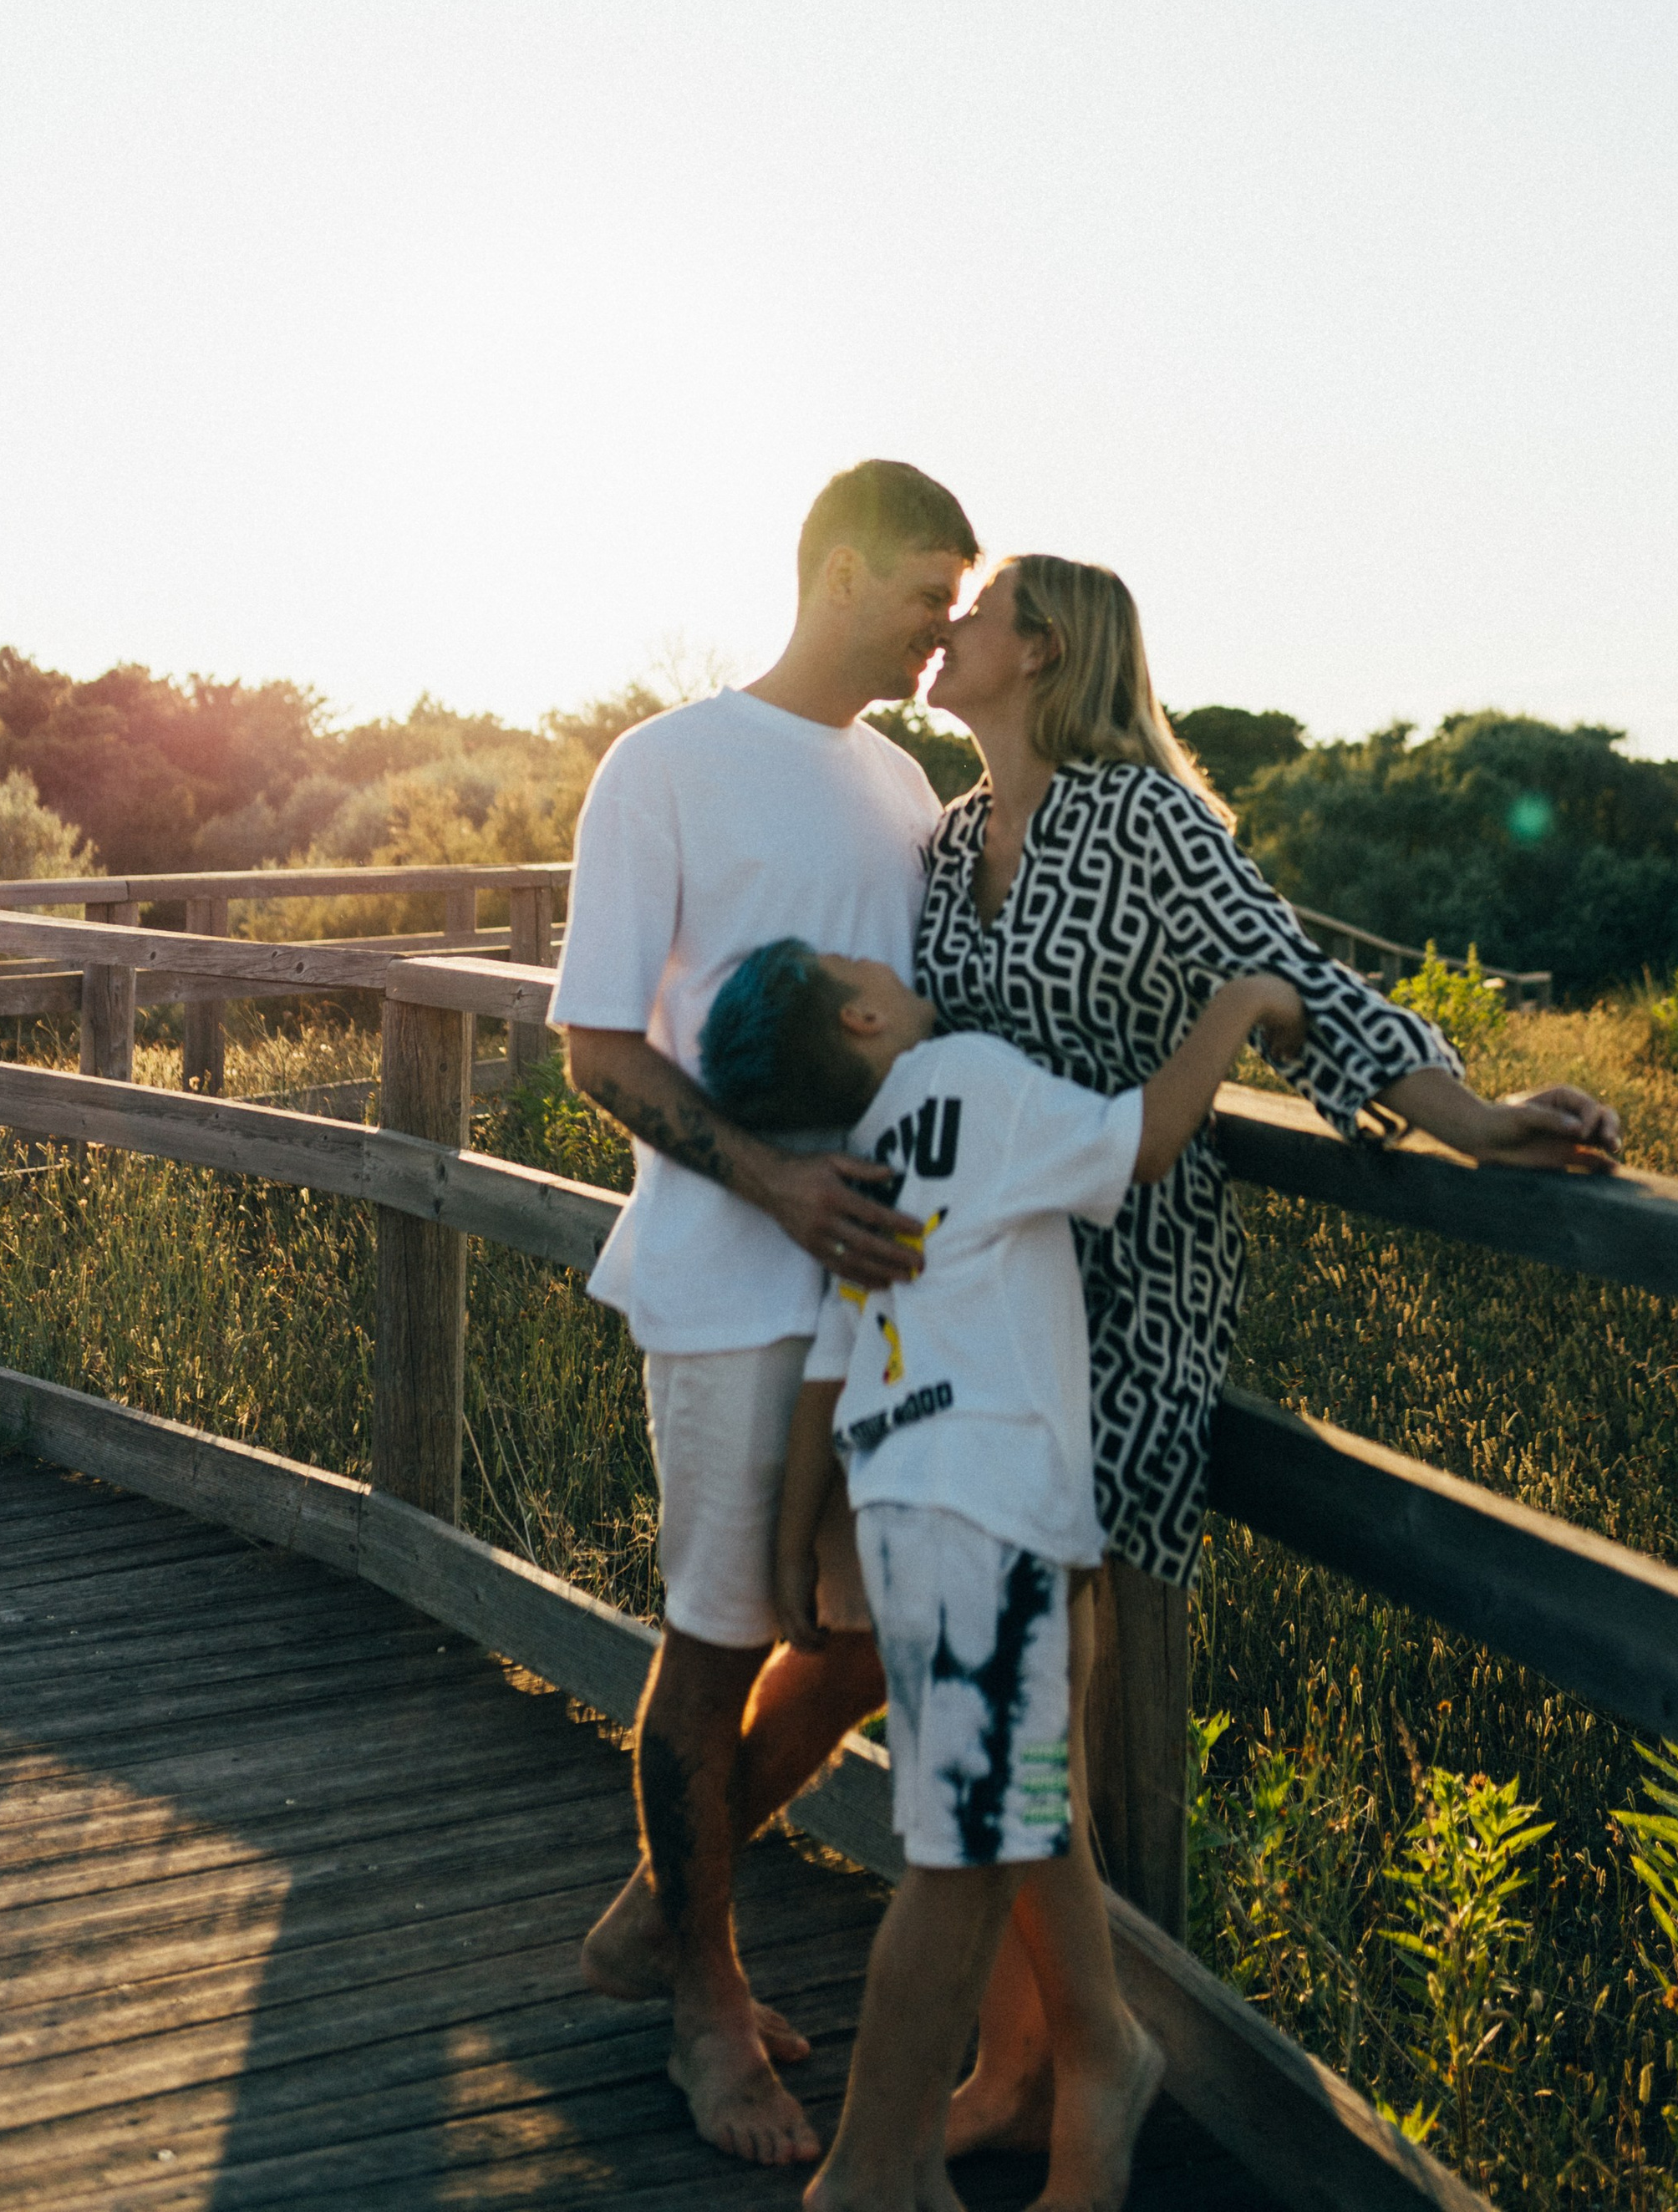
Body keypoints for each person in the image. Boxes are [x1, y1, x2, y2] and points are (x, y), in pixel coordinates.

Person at [918, 552, 1624, 2155]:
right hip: (980, 1294)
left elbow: (1302, 982)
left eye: (970, 614)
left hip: (1125, 1292)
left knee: (1033, 1680)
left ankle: (1066, 2063)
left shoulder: (1149, 823)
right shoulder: (953, 840)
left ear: (1038, 648)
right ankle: (1021, 2056)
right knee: (1021, 1684)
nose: (941, 633)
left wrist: (1478, 1121)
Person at [699, 933, 1309, 2212]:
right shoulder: (972, 1073)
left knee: (1003, 1820)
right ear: (865, 1013)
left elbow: (829, 1360)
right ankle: (874, 2167)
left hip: (909, 1512)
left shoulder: (863, 1162)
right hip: (995, 1512)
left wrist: (791, 1539)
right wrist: (1240, 1005)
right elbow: (1142, 1141)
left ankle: (1040, 2092)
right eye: (858, 957)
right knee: (966, 1854)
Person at [552, 460, 979, 2170]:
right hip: (734, 1278)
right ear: (843, 567)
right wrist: (776, 1185)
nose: (948, 631)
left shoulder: (901, 784)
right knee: (717, 1635)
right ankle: (702, 2005)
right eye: (927, 596)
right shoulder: (664, 767)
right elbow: (597, 1045)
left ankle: (659, 1909)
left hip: (887, 1289)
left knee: (865, 1629)